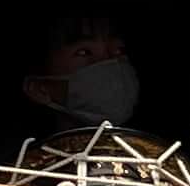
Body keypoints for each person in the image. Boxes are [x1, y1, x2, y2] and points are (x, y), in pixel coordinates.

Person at [20, 8, 144, 137]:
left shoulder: (155, 152)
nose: (110, 62)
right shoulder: (25, 156)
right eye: (84, 52)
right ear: (40, 88)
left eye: (119, 50)